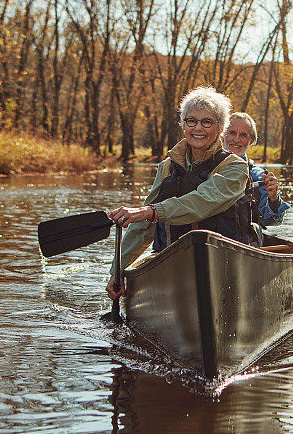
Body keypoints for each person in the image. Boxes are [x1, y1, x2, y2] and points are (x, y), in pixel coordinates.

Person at [106, 87, 253, 300]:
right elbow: (142, 228)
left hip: (222, 265)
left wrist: (150, 212)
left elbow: (200, 202)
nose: (198, 128)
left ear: (220, 127)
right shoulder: (167, 166)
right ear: (183, 125)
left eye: (207, 122)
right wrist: (117, 271)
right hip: (172, 265)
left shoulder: (235, 168)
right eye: (191, 121)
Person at [223, 112, 289, 227]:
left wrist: (274, 198)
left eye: (243, 135)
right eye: (232, 133)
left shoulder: (259, 176)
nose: (236, 140)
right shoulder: (207, 167)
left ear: (251, 141)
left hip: (243, 240)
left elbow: (273, 222)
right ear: (222, 134)